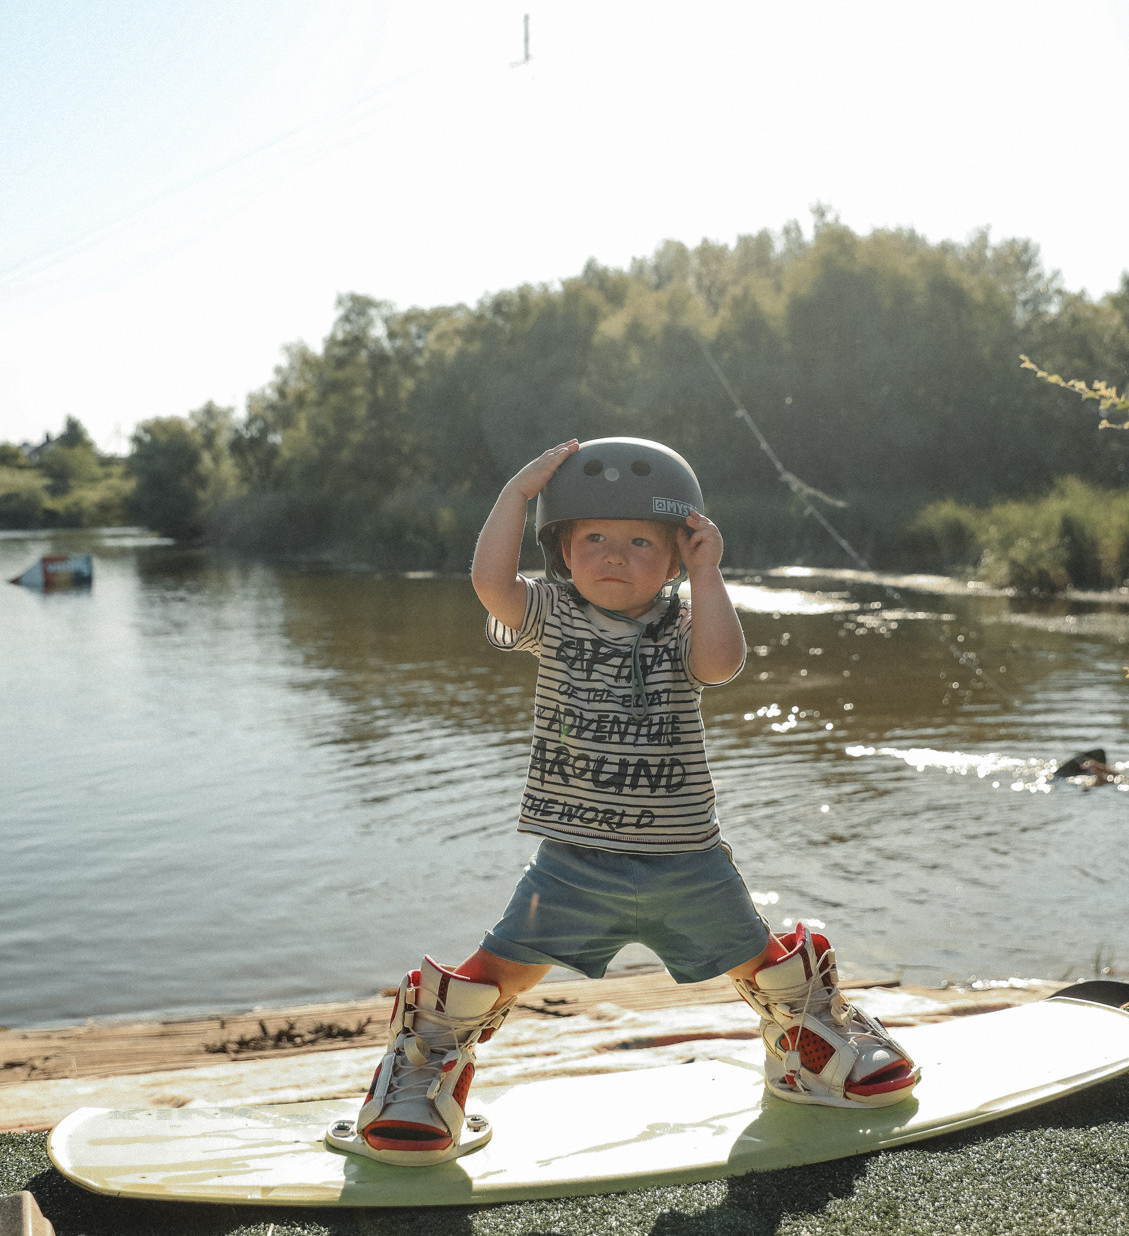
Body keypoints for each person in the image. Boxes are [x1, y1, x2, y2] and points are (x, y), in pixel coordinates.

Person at [337, 436, 918, 1167]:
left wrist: (709, 578)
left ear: (678, 554)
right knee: (499, 969)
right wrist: (516, 495)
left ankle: (806, 1041)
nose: (615, 555)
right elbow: (490, 584)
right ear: (562, 551)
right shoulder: (549, 613)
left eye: (642, 541)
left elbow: (722, 662)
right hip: (573, 865)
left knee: (756, 956)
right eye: (595, 539)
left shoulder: (682, 624)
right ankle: (425, 1064)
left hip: (687, 860)